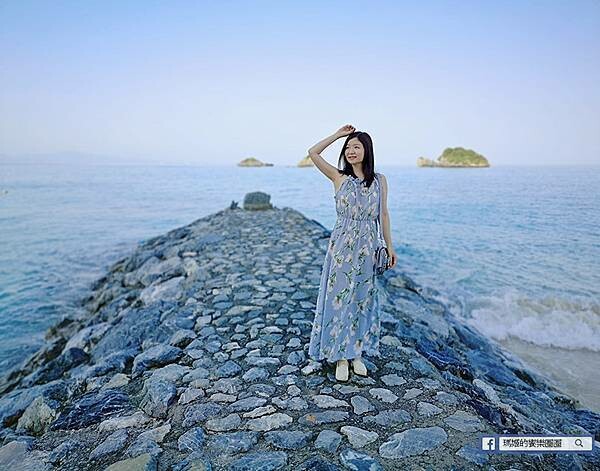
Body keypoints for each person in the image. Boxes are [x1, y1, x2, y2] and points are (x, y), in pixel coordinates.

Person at [306, 124, 397, 381]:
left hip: (368, 247)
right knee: (339, 299)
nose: (351, 151)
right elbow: (313, 153)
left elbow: (384, 215)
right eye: (348, 148)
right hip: (342, 248)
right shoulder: (339, 178)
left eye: (356, 146)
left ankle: (355, 352)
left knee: (361, 299)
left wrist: (390, 246)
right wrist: (338, 136)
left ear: (367, 150)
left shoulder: (380, 181)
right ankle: (339, 357)